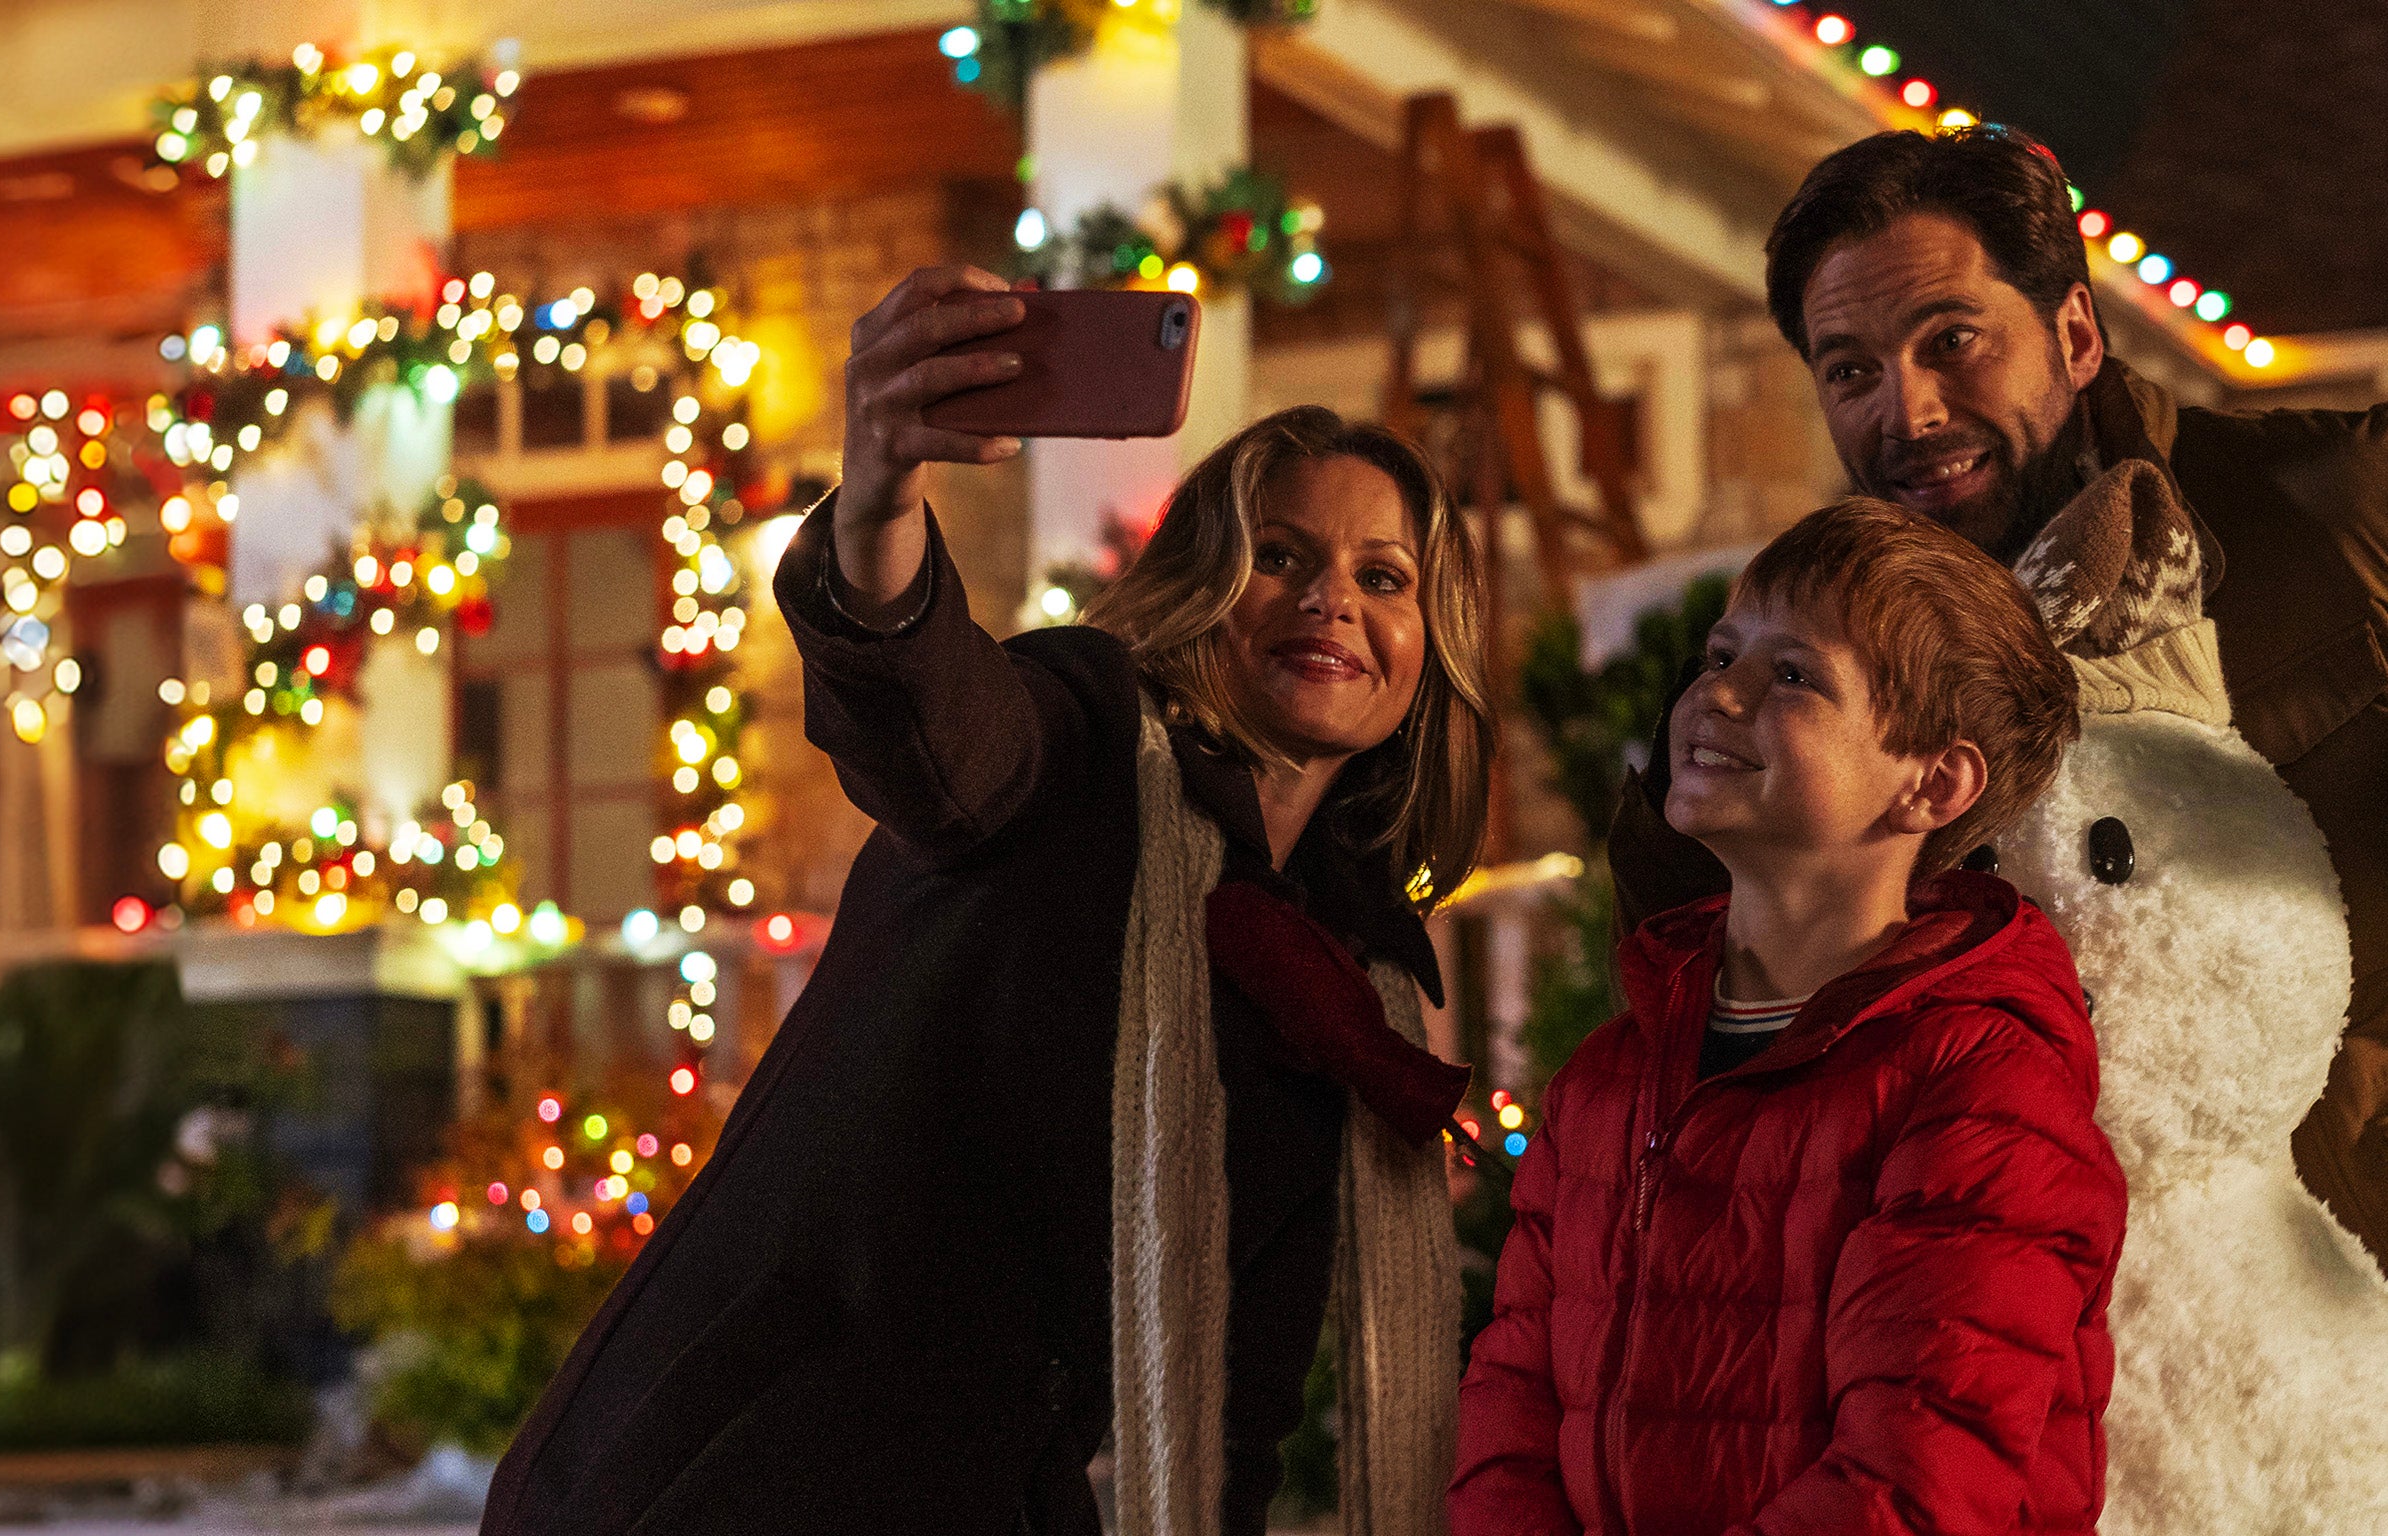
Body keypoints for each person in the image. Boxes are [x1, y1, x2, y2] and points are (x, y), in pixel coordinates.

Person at [479, 266, 1490, 1536]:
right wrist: (876, 509)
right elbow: (939, 731)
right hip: (730, 1473)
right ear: (1202, 585)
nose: (1329, 597)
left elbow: (1238, 1408)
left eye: (1382, 575)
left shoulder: (1345, 985)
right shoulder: (1077, 741)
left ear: (1428, 643)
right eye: (1276, 555)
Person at [1609, 123, 2388, 1264]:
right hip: (2030, 1331)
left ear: (2074, 333)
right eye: (1849, 370)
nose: (1906, 412)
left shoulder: (2329, 510)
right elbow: (1692, 1010)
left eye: (1951, 340)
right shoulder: (1804, 664)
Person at [1455, 499, 2127, 1535]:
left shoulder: (1983, 1087)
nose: (1714, 691)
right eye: (1721, 652)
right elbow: (1511, 1405)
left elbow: (1913, 1487)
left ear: (1931, 782)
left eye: (1791, 675)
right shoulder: (1607, 1078)